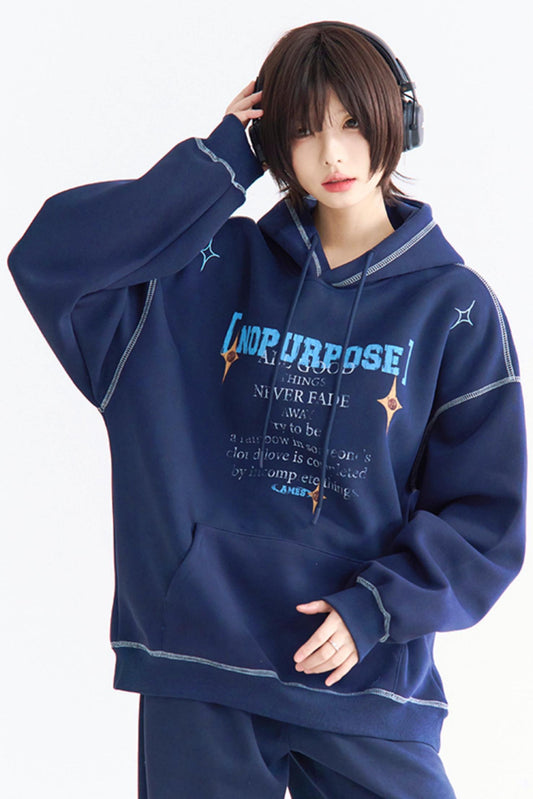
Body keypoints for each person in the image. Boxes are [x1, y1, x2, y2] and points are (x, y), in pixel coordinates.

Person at [7, 19, 527, 799]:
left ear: (399, 120)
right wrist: (220, 163)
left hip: (362, 677)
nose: (333, 154)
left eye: (352, 122)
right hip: (202, 665)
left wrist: (376, 608)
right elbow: (52, 259)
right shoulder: (205, 272)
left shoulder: (454, 309)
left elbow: (484, 516)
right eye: (304, 128)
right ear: (273, 141)